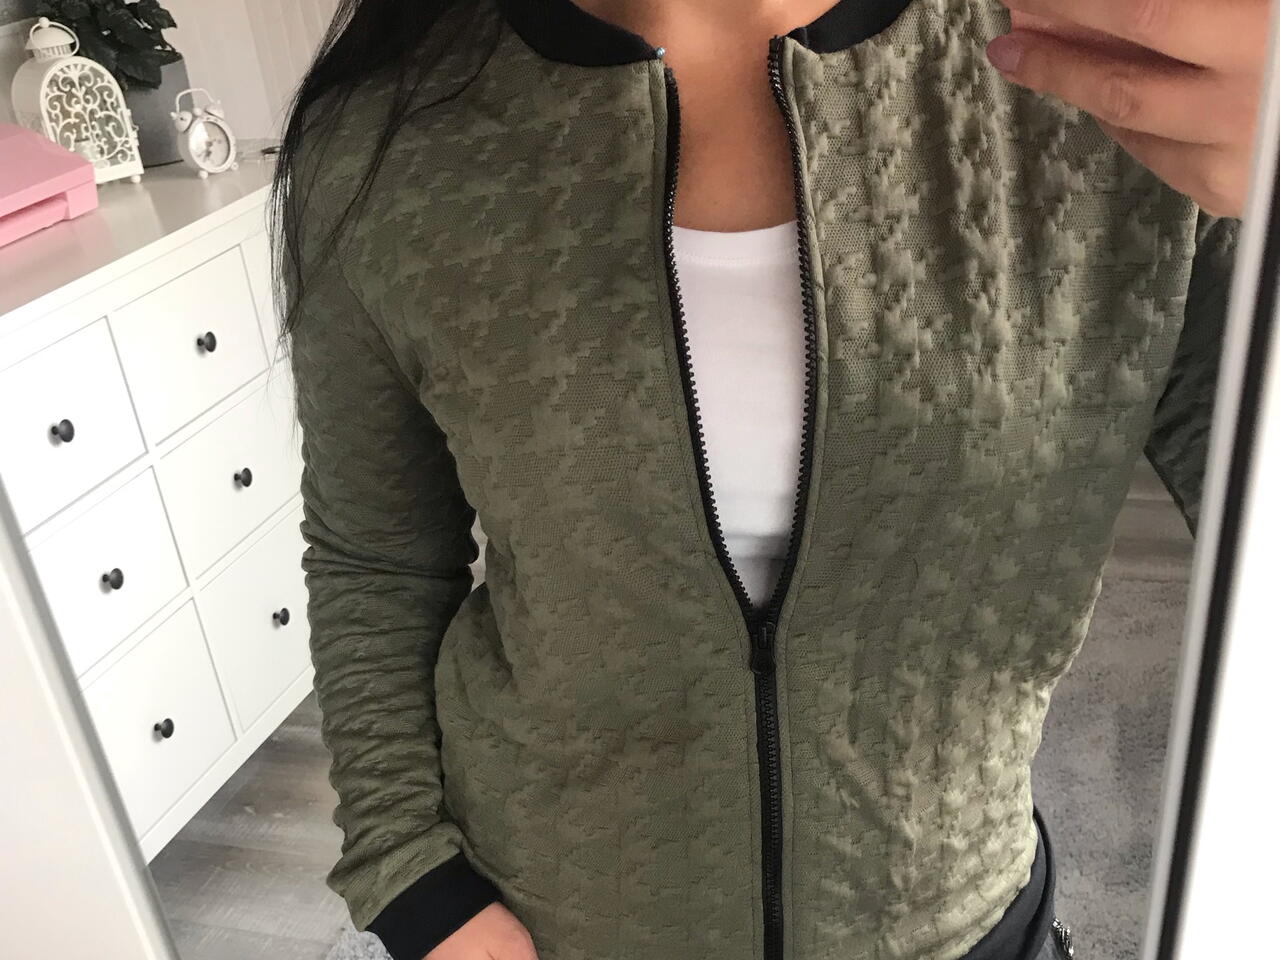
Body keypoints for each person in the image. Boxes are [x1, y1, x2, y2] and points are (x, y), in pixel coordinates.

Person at [272, 1, 1255, 958]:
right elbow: (375, 556)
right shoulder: (390, 141)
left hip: (962, 915)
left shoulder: (1135, 84)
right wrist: (411, 880)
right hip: (549, 916)